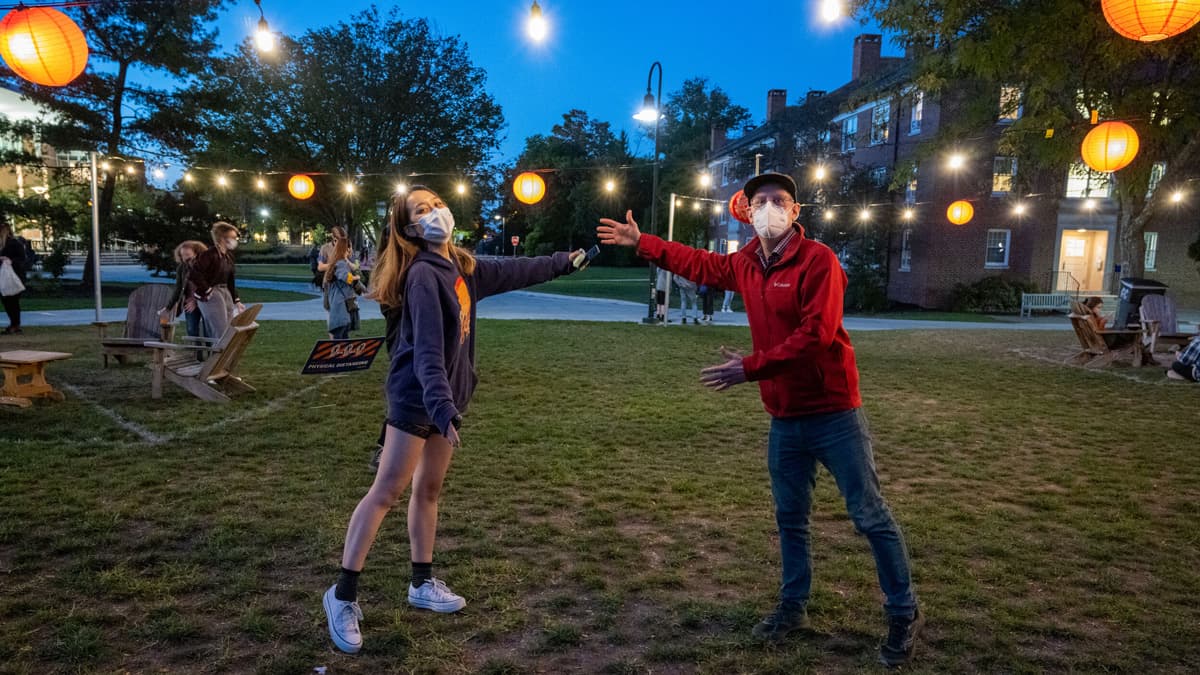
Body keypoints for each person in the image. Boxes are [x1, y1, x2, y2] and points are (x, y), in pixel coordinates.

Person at [598, 172, 922, 668]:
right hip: (785, 416)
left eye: (780, 200)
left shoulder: (819, 261)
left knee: (869, 516)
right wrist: (644, 242)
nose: (770, 207)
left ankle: (903, 612)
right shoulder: (747, 263)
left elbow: (817, 334)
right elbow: (701, 264)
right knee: (790, 519)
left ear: (796, 213)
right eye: (760, 201)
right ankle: (792, 606)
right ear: (747, 213)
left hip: (834, 413)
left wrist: (748, 368)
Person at [322, 185, 585, 655]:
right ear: (408, 228)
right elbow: (425, 353)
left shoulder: (461, 267)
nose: (434, 212)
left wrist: (566, 260)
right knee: (386, 492)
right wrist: (442, 410)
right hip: (416, 399)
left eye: (437, 203)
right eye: (421, 210)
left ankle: (421, 583)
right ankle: (341, 595)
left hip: (445, 401)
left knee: (428, 491)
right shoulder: (424, 275)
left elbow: (516, 269)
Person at [190, 222, 245, 340]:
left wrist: (236, 300)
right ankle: (219, 356)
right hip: (212, 294)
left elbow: (230, 280)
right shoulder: (209, 255)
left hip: (225, 292)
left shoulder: (227, 257)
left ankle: (227, 356)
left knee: (229, 329)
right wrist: (207, 289)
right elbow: (194, 273)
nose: (235, 240)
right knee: (220, 330)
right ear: (222, 238)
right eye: (233, 238)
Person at [161, 240, 208, 342]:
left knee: (208, 332)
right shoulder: (182, 267)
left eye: (187, 255)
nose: (185, 258)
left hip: (205, 301)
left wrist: (196, 301)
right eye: (182, 255)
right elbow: (178, 289)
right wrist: (168, 308)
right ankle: (197, 356)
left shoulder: (205, 266)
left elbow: (209, 286)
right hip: (188, 304)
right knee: (191, 331)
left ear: (196, 253)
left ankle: (212, 356)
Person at [324, 229, 365, 340]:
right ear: (345, 248)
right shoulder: (340, 263)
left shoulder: (339, 262)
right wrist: (357, 277)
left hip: (340, 308)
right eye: (350, 246)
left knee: (343, 338)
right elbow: (347, 278)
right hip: (341, 308)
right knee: (341, 339)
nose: (351, 249)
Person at [0, 220, 28, 334]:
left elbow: (22, 259)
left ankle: (15, 324)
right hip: (3, 276)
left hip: (13, 276)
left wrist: (10, 260)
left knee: (12, 301)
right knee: (7, 301)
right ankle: (14, 324)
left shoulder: (14, 244)